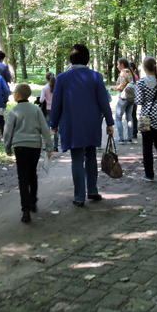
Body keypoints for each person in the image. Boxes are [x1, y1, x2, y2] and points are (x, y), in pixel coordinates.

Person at [50, 44, 115, 207]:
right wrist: (109, 122)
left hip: (72, 123)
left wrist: (53, 123)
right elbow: (103, 101)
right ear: (87, 59)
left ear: (71, 59)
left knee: (77, 158)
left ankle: (79, 196)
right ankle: (92, 190)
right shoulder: (96, 76)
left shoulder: (62, 78)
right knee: (91, 155)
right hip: (92, 122)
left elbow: (56, 103)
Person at [3, 83, 53, 223]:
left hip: (20, 147)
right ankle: (33, 202)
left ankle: (25, 210)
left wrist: (7, 147)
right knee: (32, 173)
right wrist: (49, 146)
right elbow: (44, 129)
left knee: (23, 177)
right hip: (35, 146)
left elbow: (8, 132)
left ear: (18, 95)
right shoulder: (36, 110)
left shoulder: (13, 111)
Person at [111, 57, 136, 143]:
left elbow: (121, 86)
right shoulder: (130, 73)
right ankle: (129, 137)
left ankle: (120, 138)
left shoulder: (123, 73)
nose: (117, 66)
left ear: (122, 65)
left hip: (124, 98)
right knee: (129, 118)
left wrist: (113, 88)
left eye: (118, 64)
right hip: (131, 98)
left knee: (118, 117)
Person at [40, 72, 59, 150]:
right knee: (56, 128)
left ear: (47, 79)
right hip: (56, 109)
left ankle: (47, 145)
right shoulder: (57, 87)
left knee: (47, 128)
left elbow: (41, 100)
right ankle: (55, 146)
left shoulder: (45, 88)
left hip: (47, 109)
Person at [129, 61, 140, 134]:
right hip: (134, 96)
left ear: (132, 68)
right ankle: (134, 131)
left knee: (132, 115)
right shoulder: (135, 76)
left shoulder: (134, 76)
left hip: (132, 96)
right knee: (133, 114)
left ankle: (134, 131)